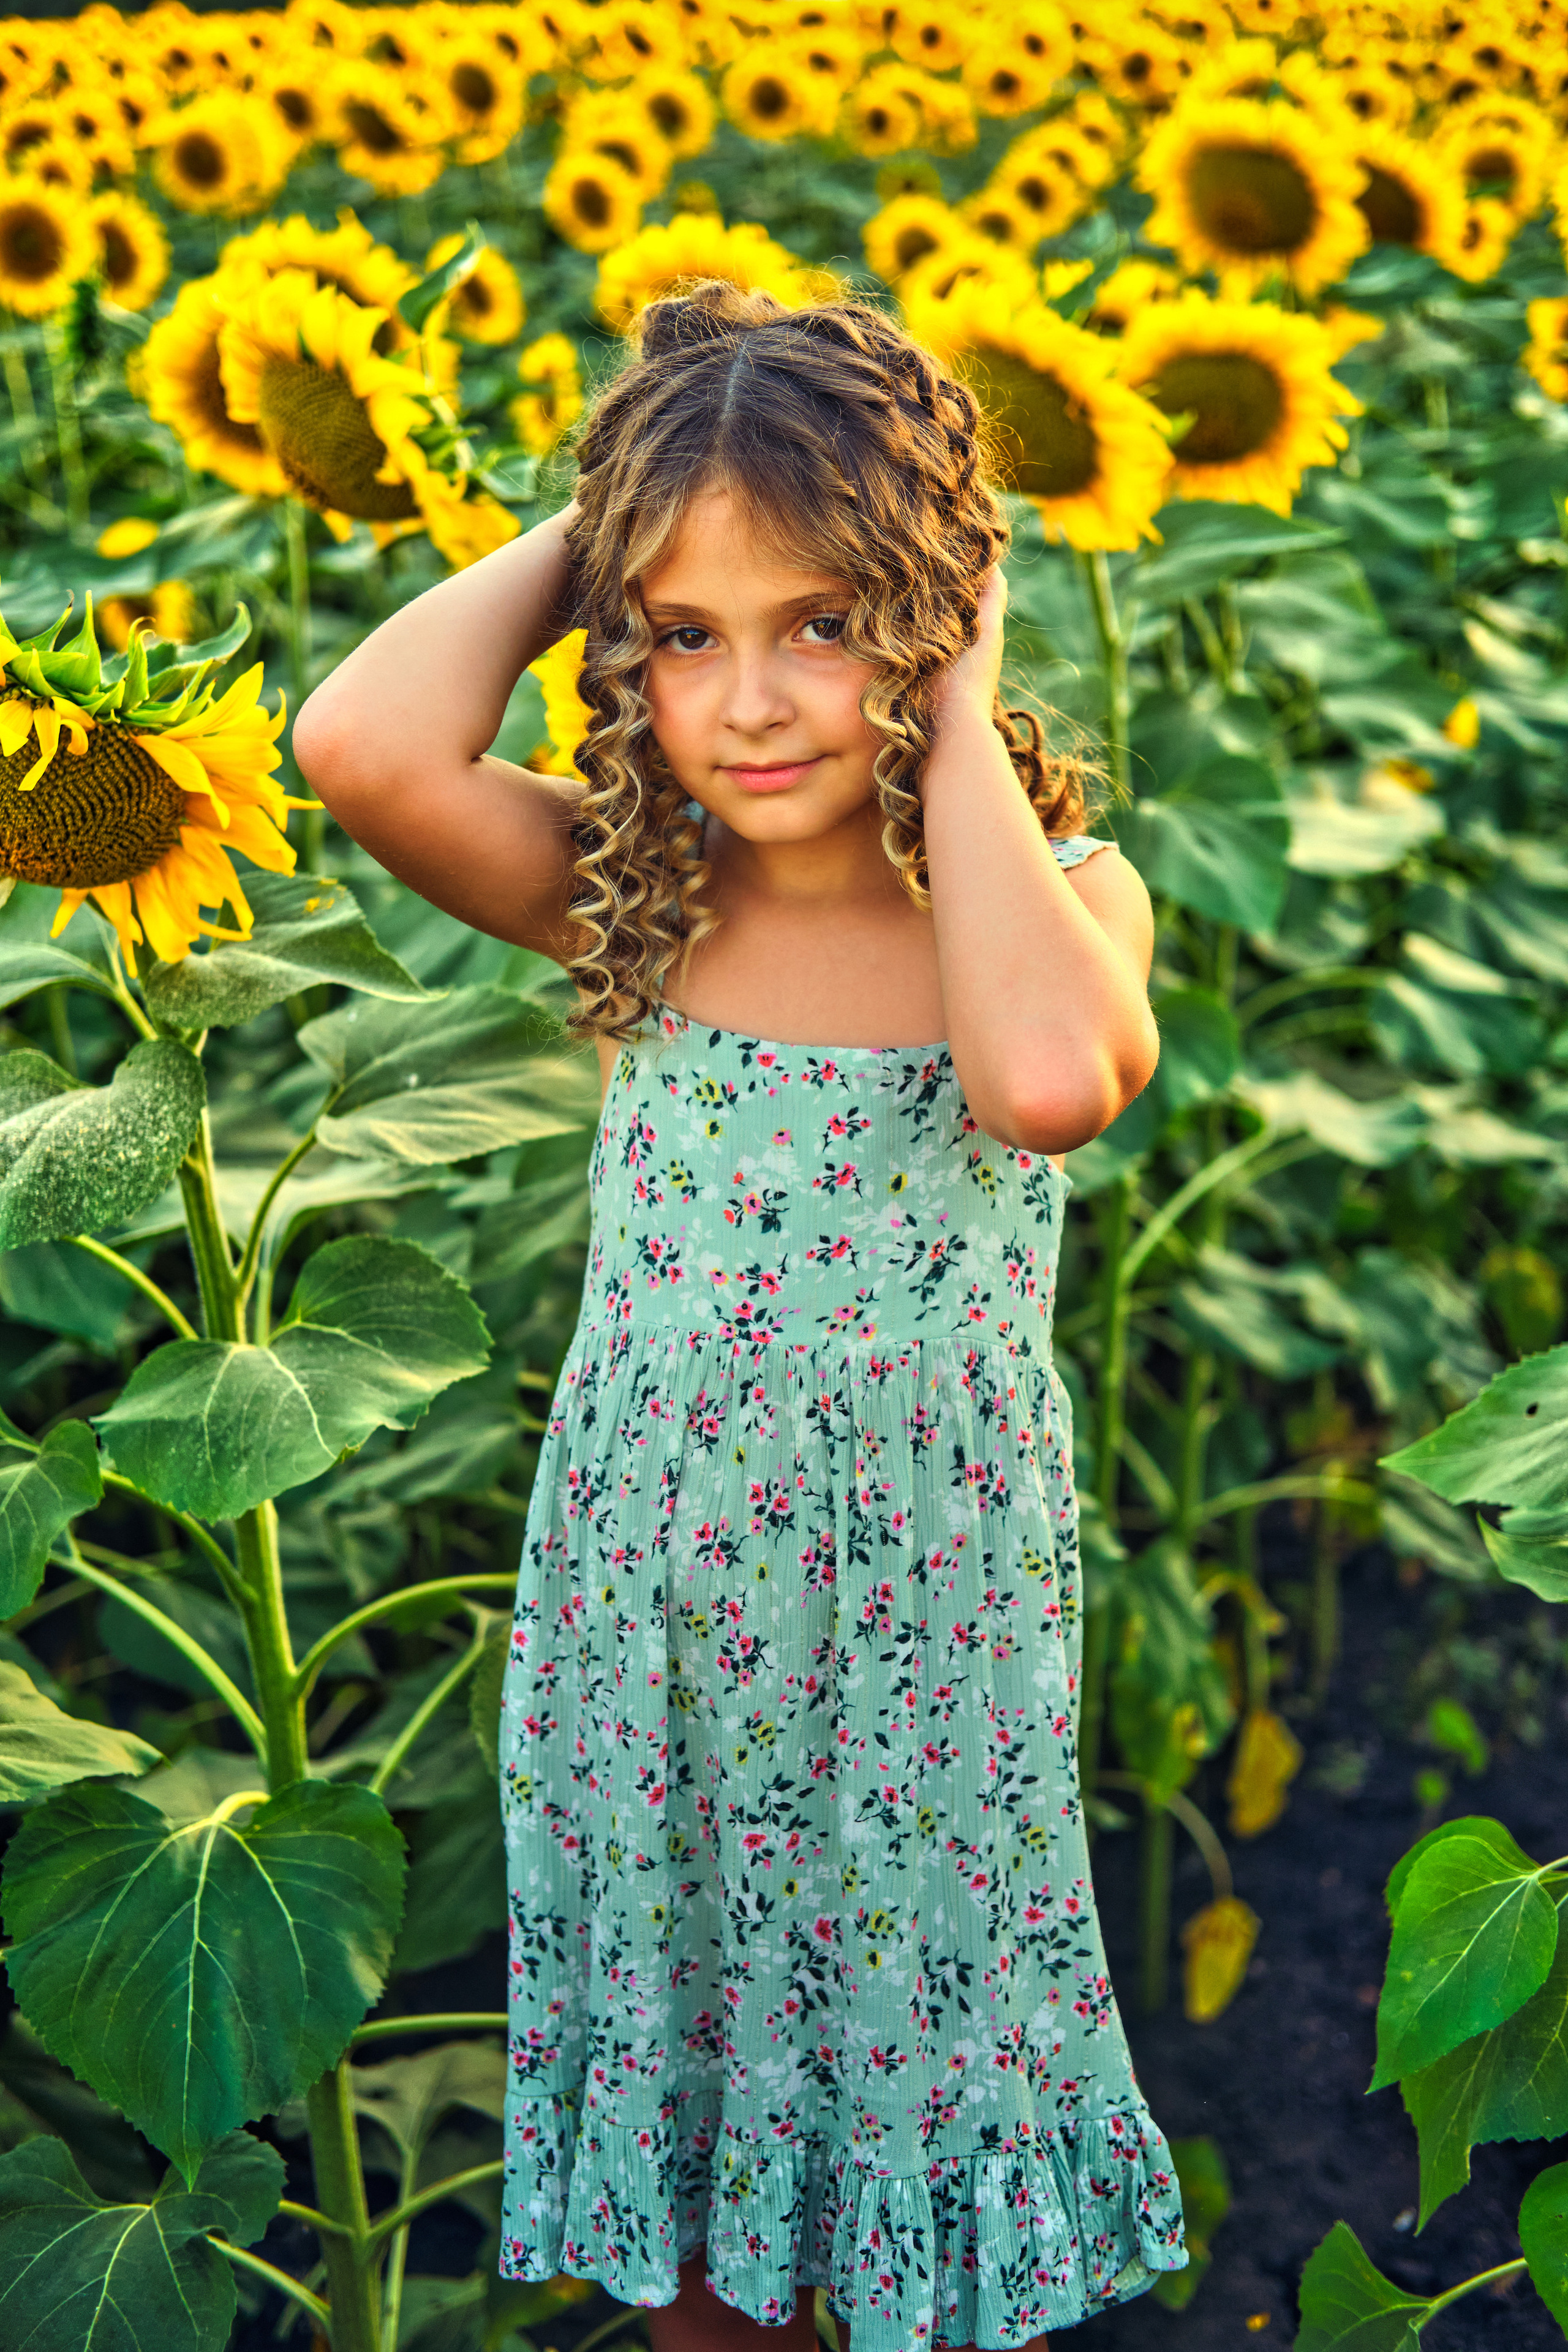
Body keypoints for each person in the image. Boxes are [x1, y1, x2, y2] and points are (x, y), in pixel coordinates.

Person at [293, 281, 1185, 2352]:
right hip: (660, 1642)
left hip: (912, 1659)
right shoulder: (643, 897)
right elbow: (355, 743)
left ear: (935, 613)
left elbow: (1047, 1083)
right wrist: (621, 512)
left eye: (826, 622)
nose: (755, 700)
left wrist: (949, 710)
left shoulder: (1058, 902)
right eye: (684, 638)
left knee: (900, 2112)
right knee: (706, 2164)